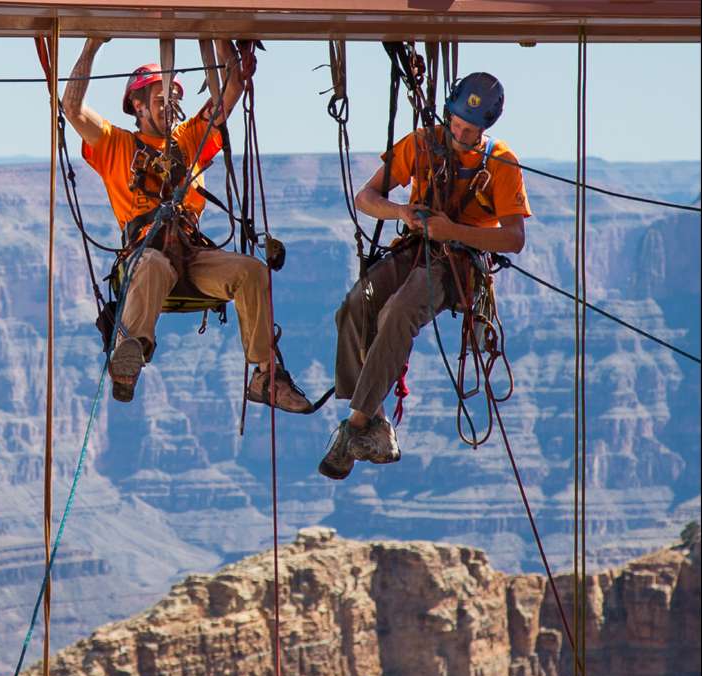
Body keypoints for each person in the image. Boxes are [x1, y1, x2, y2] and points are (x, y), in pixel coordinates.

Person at [61, 38, 310, 412]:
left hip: (192, 255)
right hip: (146, 256)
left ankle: (264, 374)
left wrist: (219, 38)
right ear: (138, 105)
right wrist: (93, 46)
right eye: (161, 99)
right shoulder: (116, 145)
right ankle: (129, 354)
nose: (171, 107)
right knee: (152, 266)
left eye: (174, 98)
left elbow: (231, 91)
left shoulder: (190, 137)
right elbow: (72, 108)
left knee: (252, 272)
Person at [320, 72, 532, 480]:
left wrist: (451, 231)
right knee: (355, 305)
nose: (458, 134)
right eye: (454, 124)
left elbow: (514, 238)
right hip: (414, 247)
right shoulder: (421, 144)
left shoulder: (501, 163)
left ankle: (356, 428)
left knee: (397, 312)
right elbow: (367, 197)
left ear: (485, 127)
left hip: (457, 265)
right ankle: (374, 420)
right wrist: (401, 213)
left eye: (468, 130)